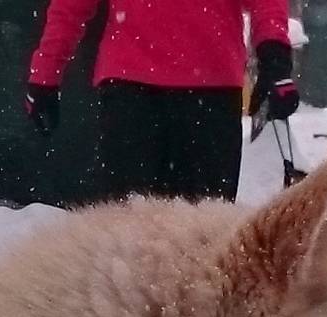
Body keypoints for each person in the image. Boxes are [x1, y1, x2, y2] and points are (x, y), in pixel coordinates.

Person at [22, 0, 296, 203]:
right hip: (200, 92)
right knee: (200, 234)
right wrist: (275, 61)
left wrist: (46, 72)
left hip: (144, 89)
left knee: (126, 228)